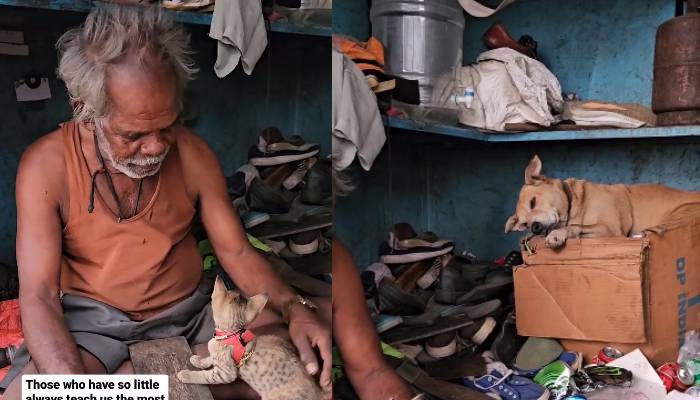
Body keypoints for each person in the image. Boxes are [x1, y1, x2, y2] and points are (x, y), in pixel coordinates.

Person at [0, 6, 330, 399]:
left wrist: (294, 307)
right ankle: (154, 383)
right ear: (84, 111)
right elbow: (37, 293)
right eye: (133, 134)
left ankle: (136, 383)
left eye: (169, 125)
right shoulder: (46, 166)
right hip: (92, 327)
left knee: (296, 359)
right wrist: (70, 386)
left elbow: (238, 252)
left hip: (187, 317)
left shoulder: (193, 156)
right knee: (33, 395)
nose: (156, 147)